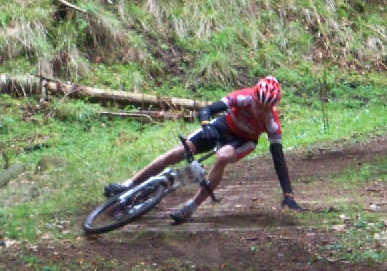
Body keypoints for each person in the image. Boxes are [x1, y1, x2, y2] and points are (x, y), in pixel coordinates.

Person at [104, 75, 303, 224]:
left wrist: (288, 195)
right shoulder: (244, 97)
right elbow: (207, 110)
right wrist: (206, 126)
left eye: (265, 109)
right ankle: (128, 184)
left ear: (273, 107)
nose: (259, 111)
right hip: (223, 126)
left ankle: (192, 206)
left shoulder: (273, 123)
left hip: (243, 141)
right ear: (254, 98)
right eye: (258, 105)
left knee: (222, 156)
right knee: (176, 153)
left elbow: (279, 160)